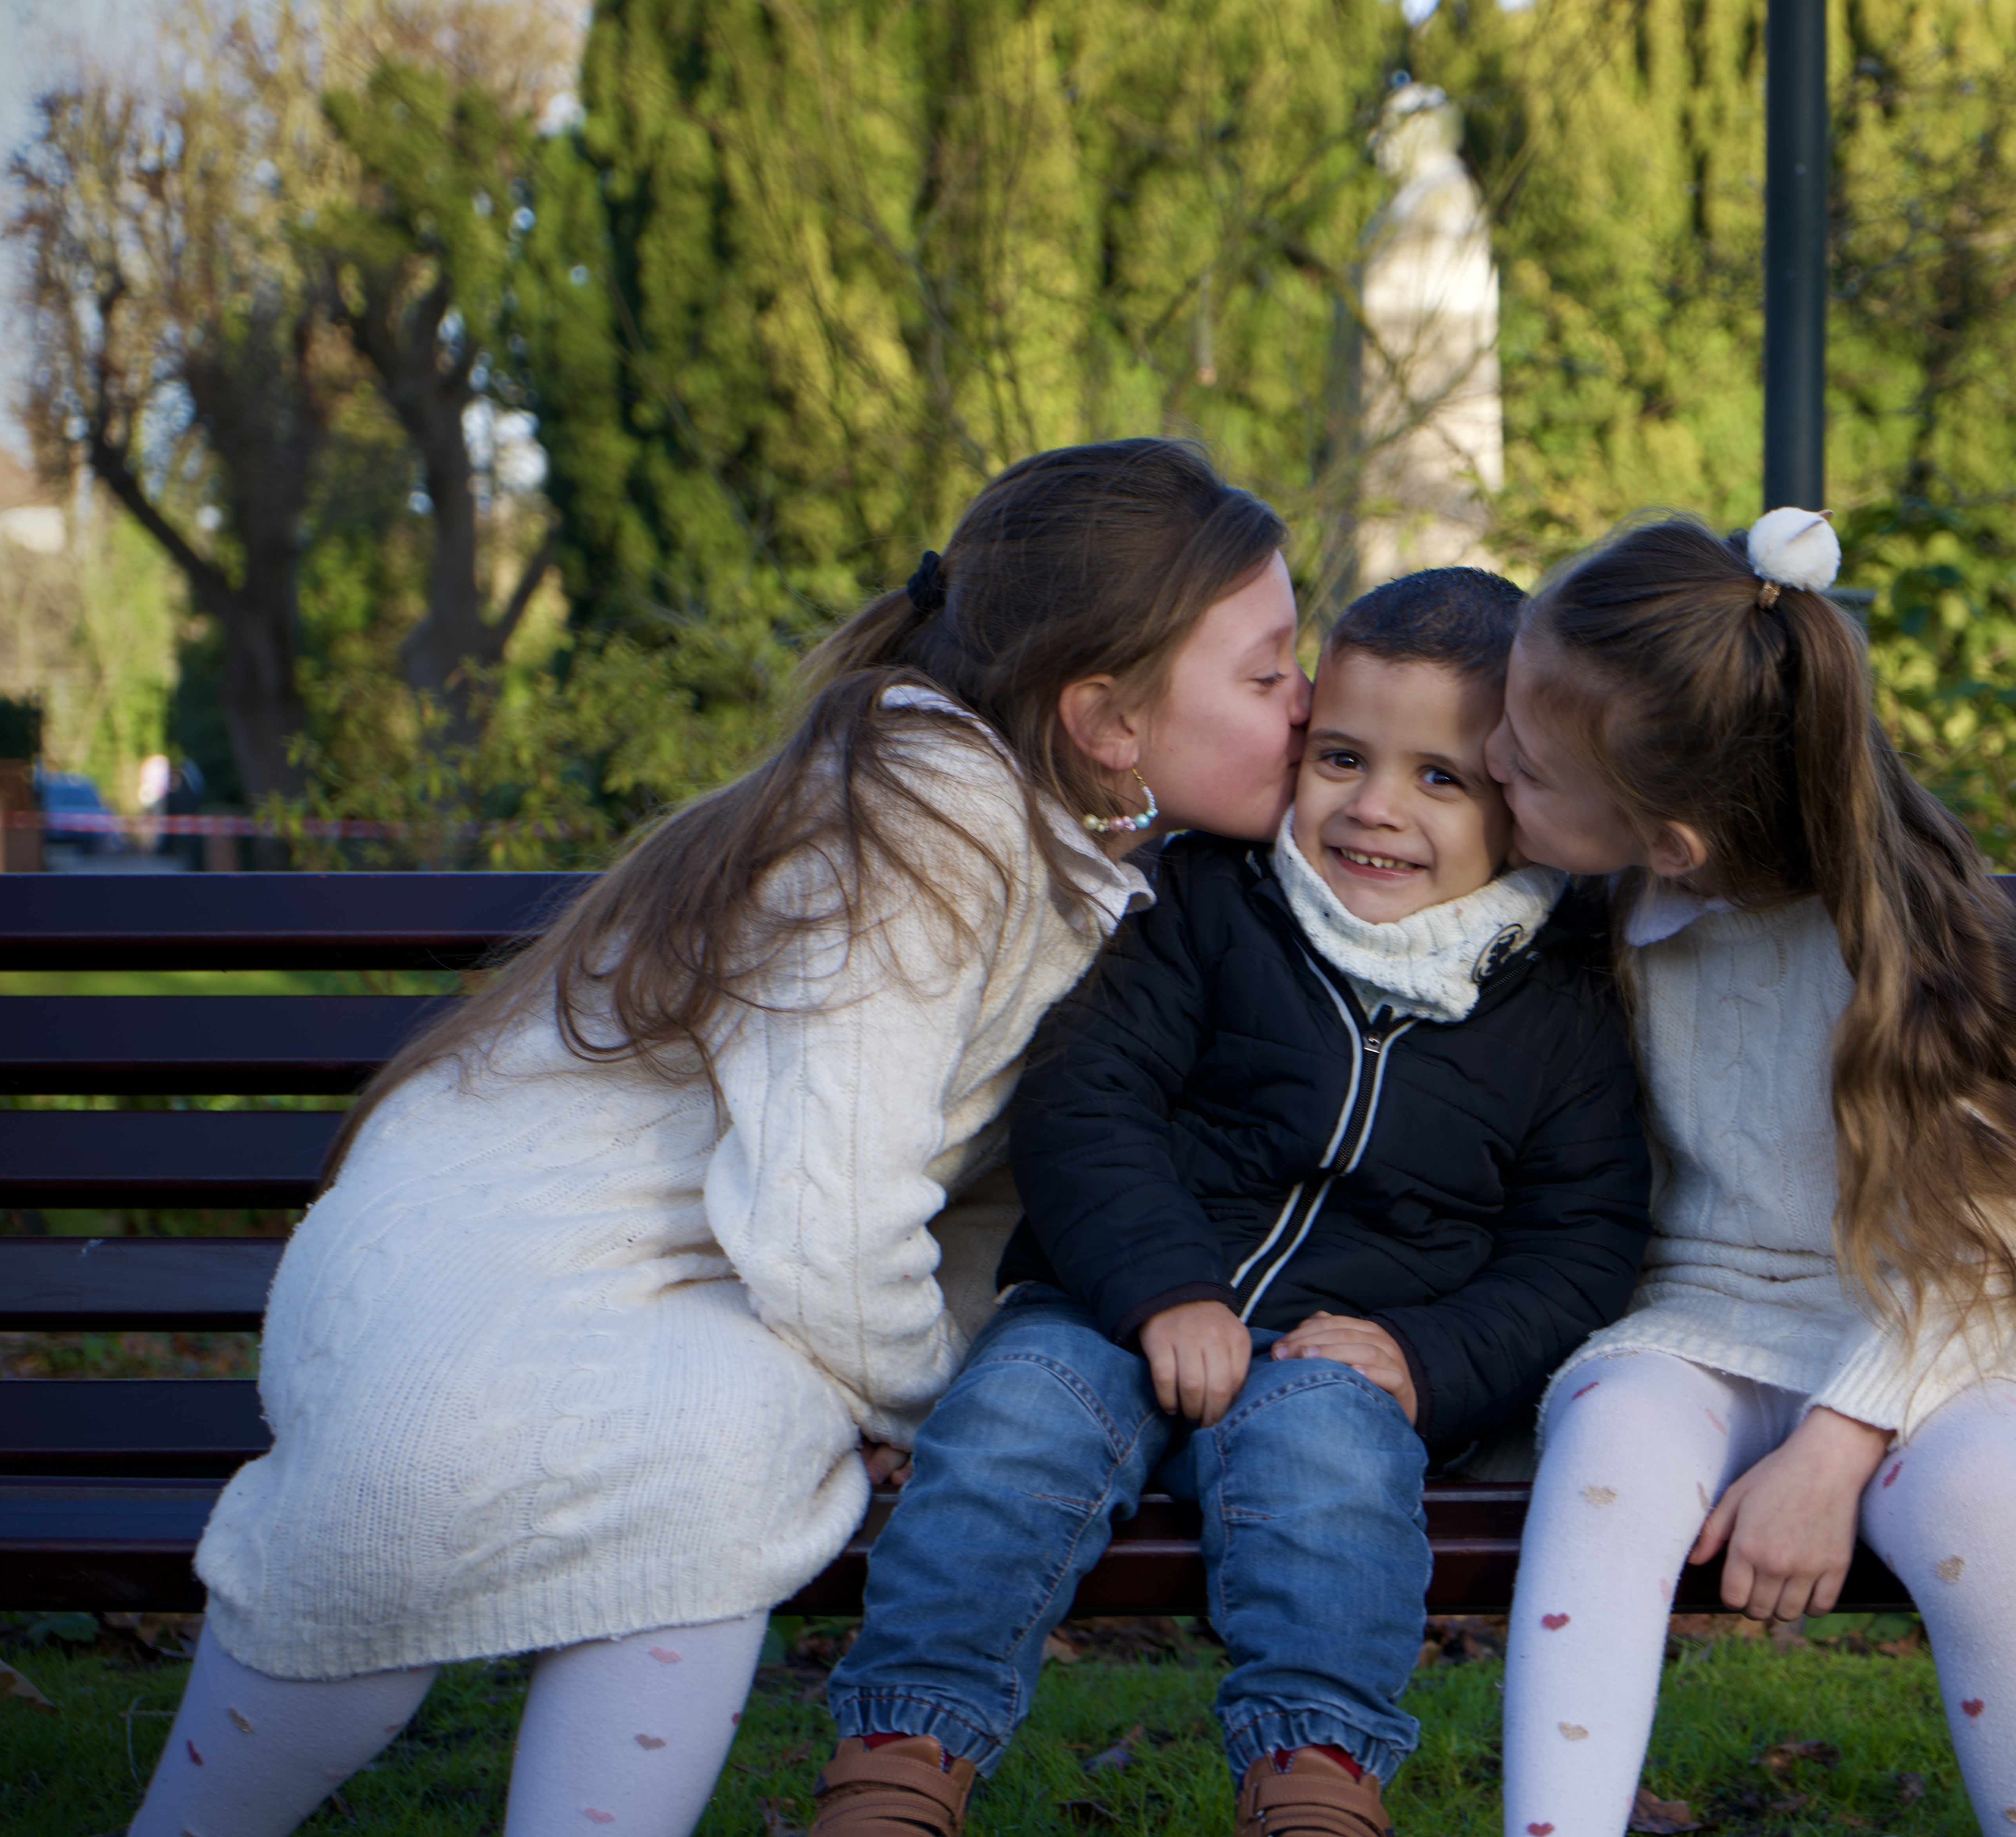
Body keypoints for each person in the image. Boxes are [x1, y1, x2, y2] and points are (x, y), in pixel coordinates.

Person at [129, 439, 1315, 1837]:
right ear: (1108, 719)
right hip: (511, 1244)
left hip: (714, 1268)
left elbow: (975, 1182)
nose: (1310, 701)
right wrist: (924, 1404)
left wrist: (914, 1389)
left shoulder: (1066, 842)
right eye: (1270, 671)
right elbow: (827, 1203)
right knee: (441, 1478)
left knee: (728, 1441)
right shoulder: (924, 816)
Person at [808, 568, 1655, 1837]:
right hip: (1114, 1302)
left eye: (1441, 778)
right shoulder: (1207, 899)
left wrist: (1426, 1360)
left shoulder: (1559, 993)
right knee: (1012, 1434)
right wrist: (1163, 1288)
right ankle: (902, 1754)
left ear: (1521, 804)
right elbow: (1089, 1100)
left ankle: (1316, 1778)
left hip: (1351, 1348)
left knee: (1327, 1473)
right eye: (1344, 757)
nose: (1376, 809)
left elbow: (1579, 1244)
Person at [1485, 511, 2016, 1837]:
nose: (1491, 764)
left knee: (1980, 1510)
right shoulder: (1589, 911)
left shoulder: (1920, 942)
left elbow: (2002, 1249)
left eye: (1531, 765)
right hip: (1698, 1323)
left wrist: (1839, 1449)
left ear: (1676, 840)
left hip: (1932, 1336)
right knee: (1606, 1445)